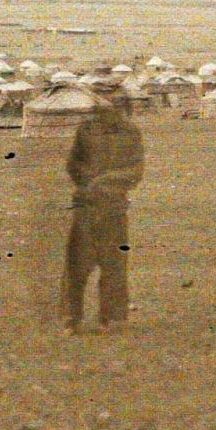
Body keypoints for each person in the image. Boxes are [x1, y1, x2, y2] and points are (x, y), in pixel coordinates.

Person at [62, 98, 146, 330]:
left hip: (114, 207)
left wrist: (107, 181)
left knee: (114, 263)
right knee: (77, 263)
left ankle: (109, 318)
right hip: (86, 205)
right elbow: (73, 164)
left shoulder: (130, 133)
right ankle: (72, 317)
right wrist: (88, 183)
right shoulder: (86, 131)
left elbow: (136, 170)